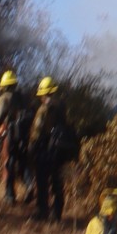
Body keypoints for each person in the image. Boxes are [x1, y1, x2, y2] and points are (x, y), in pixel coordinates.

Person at [28, 76, 73, 223]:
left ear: (43, 94)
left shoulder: (44, 109)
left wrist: (31, 148)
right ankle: (57, 213)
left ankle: (42, 212)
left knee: (42, 182)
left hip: (45, 149)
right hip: (60, 149)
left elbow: (37, 130)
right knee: (57, 182)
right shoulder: (62, 106)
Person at [0, 70, 29, 205]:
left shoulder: (4, 98)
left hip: (10, 135)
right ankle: (29, 186)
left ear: (5, 86)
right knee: (23, 164)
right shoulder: (23, 97)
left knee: (8, 164)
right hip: (24, 135)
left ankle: (9, 196)